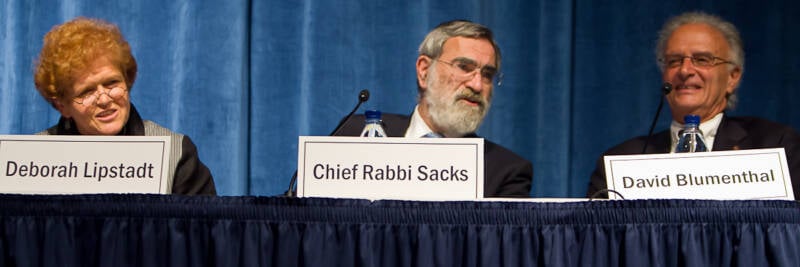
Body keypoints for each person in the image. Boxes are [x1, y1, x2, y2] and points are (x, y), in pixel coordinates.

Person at [586, 11, 800, 198]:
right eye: (674, 61)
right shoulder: (620, 161)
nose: (685, 70)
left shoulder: (774, 146)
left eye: (702, 59)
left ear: (732, 77)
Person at [337, 20, 533, 197]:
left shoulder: (506, 172)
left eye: (487, 74)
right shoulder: (354, 133)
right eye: (464, 67)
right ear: (424, 71)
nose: (477, 85)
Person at [33, 17, 216, 195]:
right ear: (62, 106)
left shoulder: (176, 155)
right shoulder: (33, 159)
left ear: (127, 81)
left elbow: (204, 225)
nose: (104, 100)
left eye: (112, 83)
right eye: (86, 92)